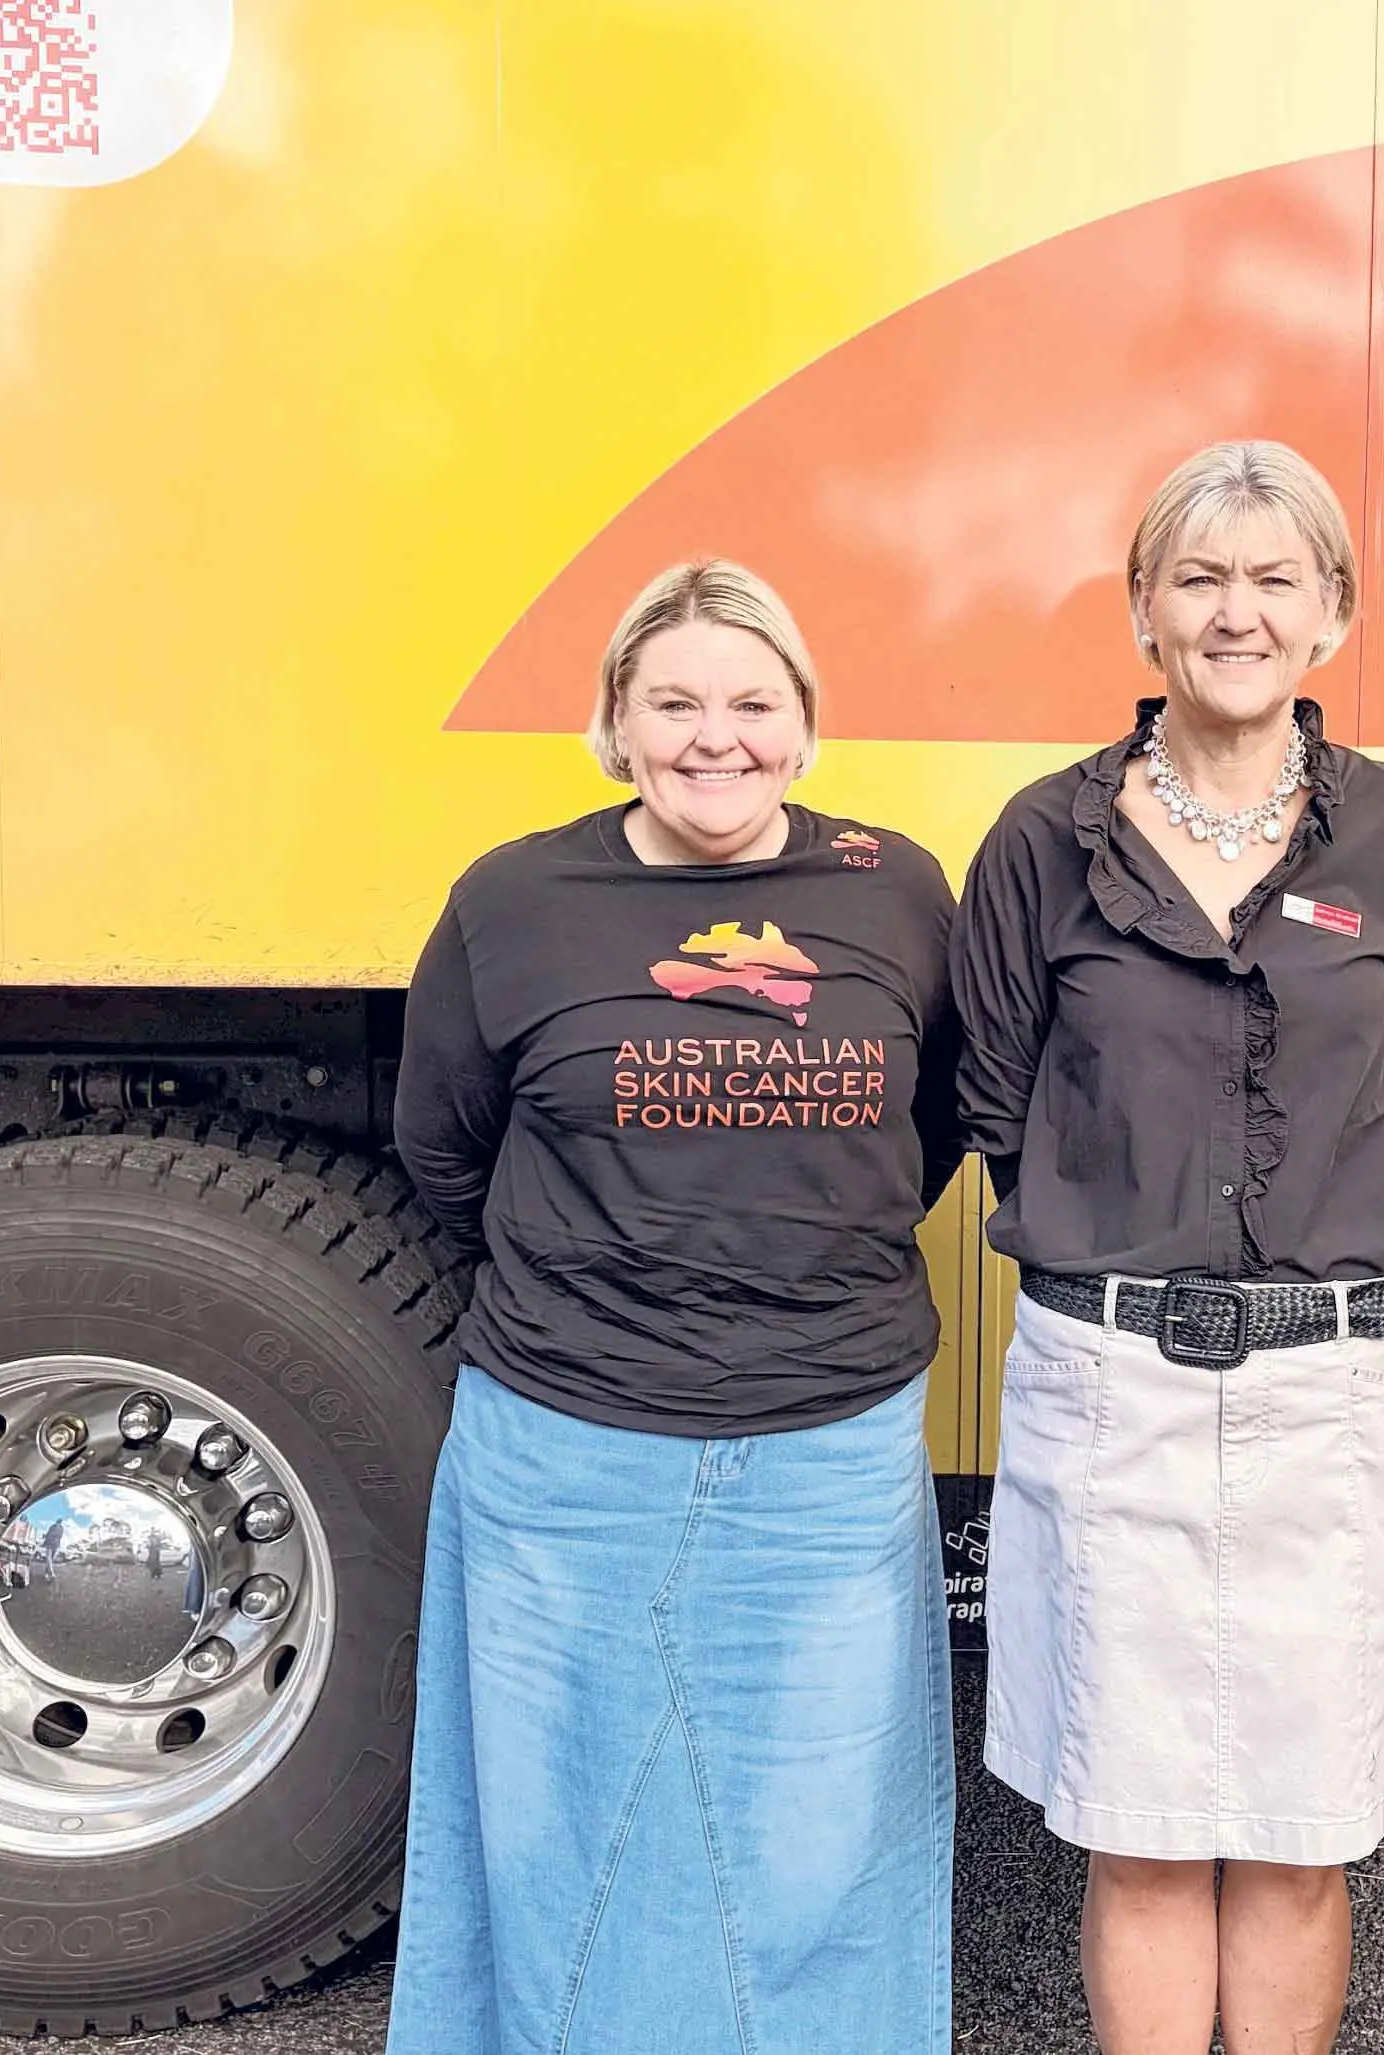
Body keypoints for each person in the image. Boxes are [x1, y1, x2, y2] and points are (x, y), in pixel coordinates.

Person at [387, 559, 963, 2055]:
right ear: (618, 724)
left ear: (804, 725)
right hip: (566, 1446)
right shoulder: (514, 899)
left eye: (754, 703)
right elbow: (444, 1145)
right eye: (677, 703)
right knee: (561, 1838)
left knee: (820, 1851)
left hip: (830, 1449)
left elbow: (932, 1128)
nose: (719, 737)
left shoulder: (896, 889)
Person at [953, 440, 1384, 2055]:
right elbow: (997, 1100)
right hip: (1114, 1395)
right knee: (1144, 1834)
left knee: (1305, 1836)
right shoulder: (1042, 839)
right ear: (1141, 611)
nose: (1235, 612)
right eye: (1198, 578)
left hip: (1333, 1402)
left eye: (1271, 578)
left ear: (1330, 614)